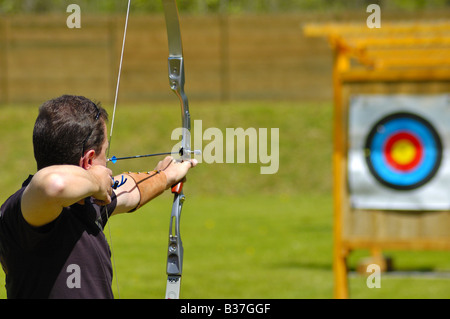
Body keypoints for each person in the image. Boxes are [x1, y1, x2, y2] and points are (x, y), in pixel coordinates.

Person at [0, 94, 197, 299]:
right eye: (106, 154)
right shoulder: (23, 212)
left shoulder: (89, 202)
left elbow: (128, 190)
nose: (108, 166)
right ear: (89, 161)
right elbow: (53, 184)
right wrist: (95, 180)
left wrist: (165, 176)